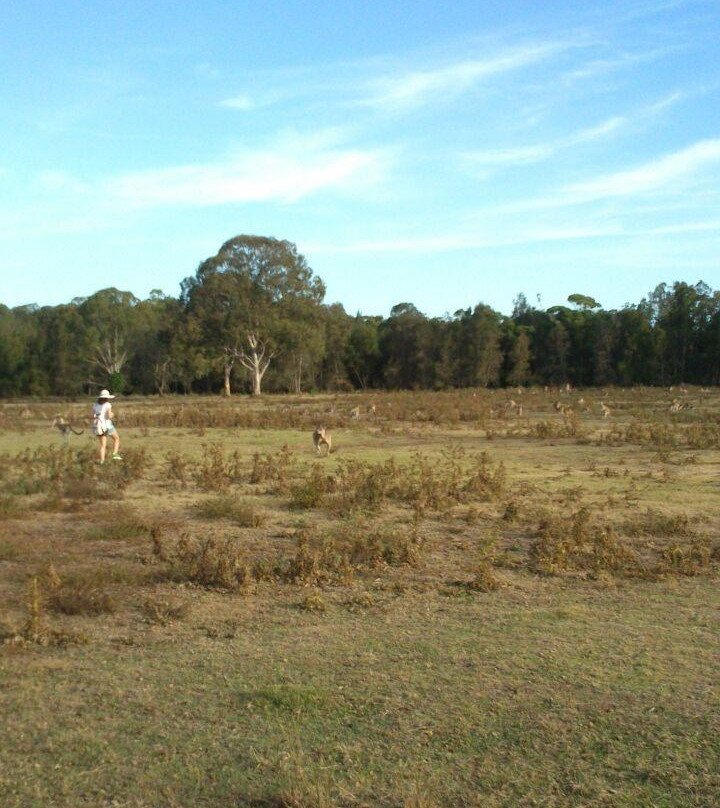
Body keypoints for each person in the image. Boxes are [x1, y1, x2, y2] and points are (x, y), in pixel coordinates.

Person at [92, 389, 122, 463]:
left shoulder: (95, 405)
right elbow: (109, 416)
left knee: (103, 445)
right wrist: (112, 414)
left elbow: (93, 416)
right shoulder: (107, 404)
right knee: (116, 439)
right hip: (108, 425)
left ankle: (102, 461)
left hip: (99, 426)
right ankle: (115, 454)